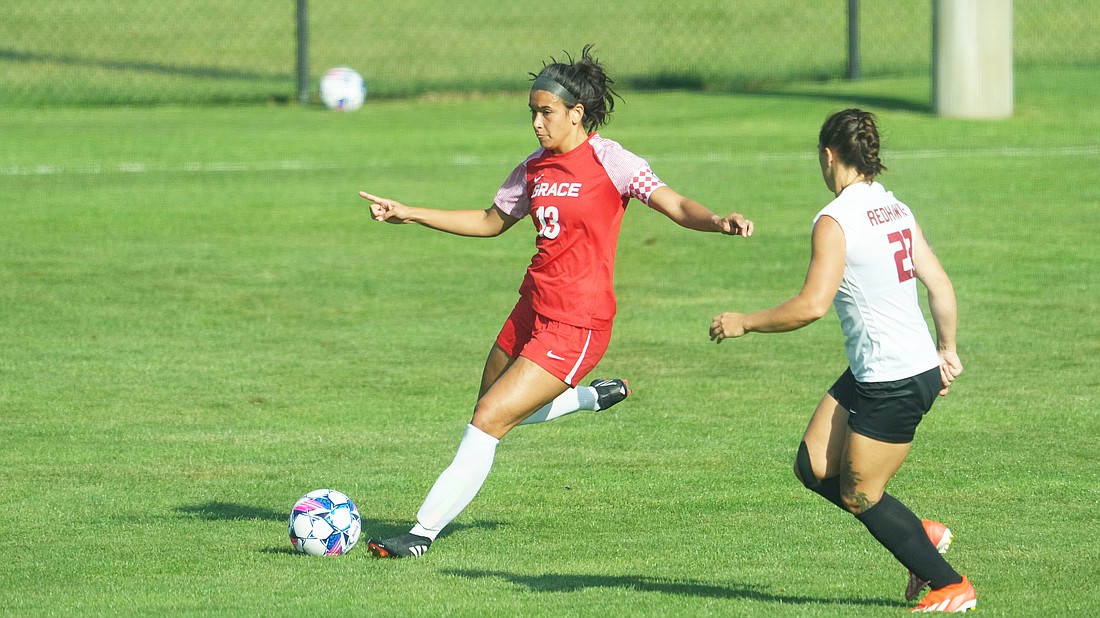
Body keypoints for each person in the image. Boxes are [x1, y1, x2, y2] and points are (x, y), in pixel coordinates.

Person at [360, 45, 754, 558]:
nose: (536, 123)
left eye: (545, 112)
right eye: (532, 112)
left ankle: (420, 534)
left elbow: (674, 203)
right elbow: (489, 222)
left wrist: (716, 220)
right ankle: (592, 398)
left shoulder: (611, 160)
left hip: (578, 323)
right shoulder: (534, 168)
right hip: (530, 308)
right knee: (497, 410)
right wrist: (409, 212)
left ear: (577, 114)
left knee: (488, 418)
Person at [709, 109, 976, 612]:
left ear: (829, 155)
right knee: (812, 466)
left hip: (892, 379)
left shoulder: (835, 221)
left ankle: (951, 584)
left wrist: (745, 321)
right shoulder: (893, 207)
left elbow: (811, 305)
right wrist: (947, 350)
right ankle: (916, 533)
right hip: (891, 366)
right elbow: (939, 284)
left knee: (861, 494)